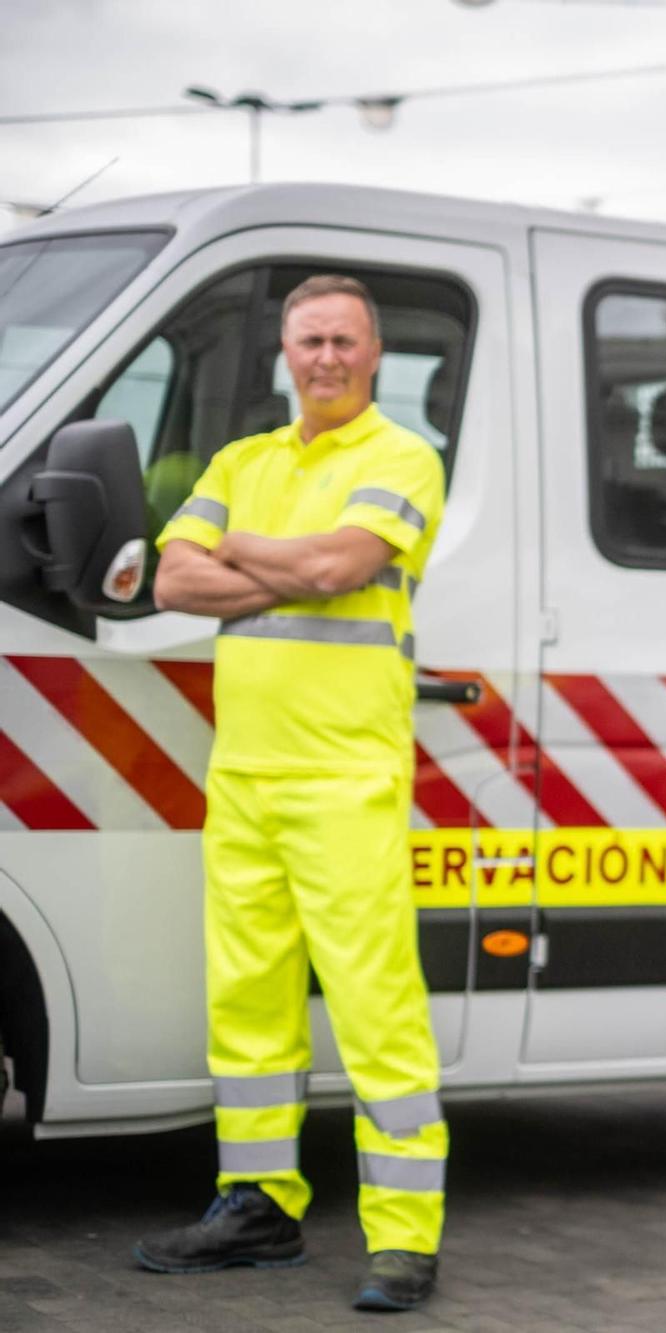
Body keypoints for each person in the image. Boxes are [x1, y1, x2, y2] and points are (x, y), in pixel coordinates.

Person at [134, 274, 450, 1313]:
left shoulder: (402, 458)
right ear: (285, 352)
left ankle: (404, 1237)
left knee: (375, 1011)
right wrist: (284, 563)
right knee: (249, 1006)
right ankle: (257, 1204)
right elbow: (172, 581)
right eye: (308, 340)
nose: (325, 358)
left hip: (347, 779)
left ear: (374, 353)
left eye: (343, 341)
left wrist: (239, 548)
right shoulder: (242, 460)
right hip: (248, 779)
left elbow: (337, 563)